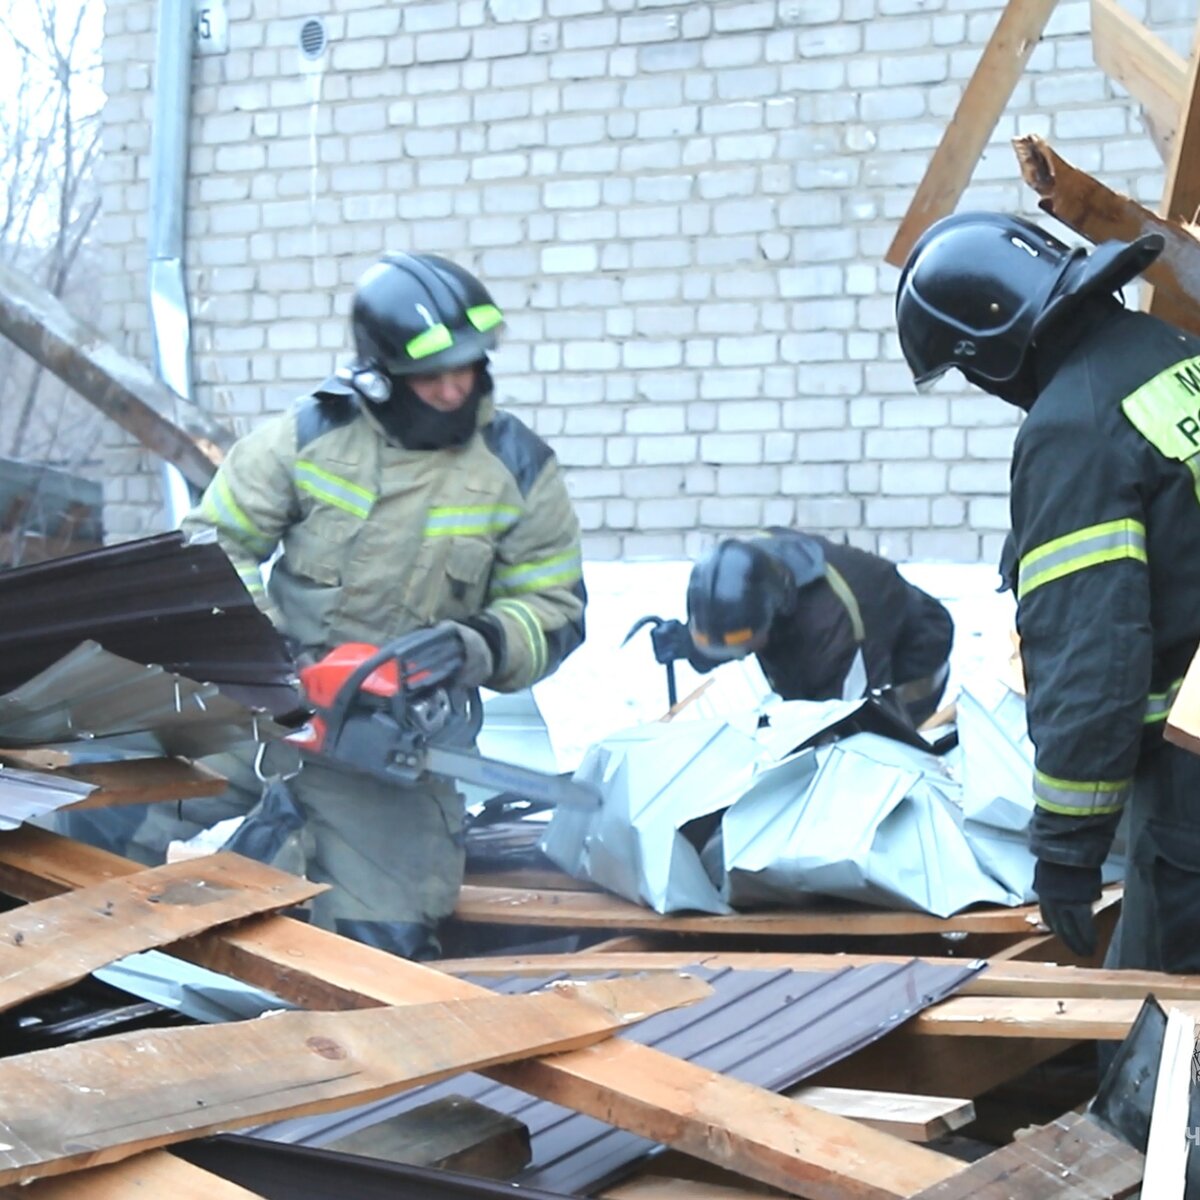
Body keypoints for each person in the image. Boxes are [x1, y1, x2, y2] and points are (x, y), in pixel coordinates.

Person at [80, 252, 587, 959]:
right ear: (380, 374)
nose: (452, 389)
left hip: (395, 751)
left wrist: (474, 645)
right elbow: (209, 550)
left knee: (383, 948)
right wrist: (273, 656)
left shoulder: (518, 469)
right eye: (431, 375)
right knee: (92, 821)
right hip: (257, 709)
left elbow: (555, 610)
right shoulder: (311, 437)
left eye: (466, 370)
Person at [893, 209, 1200, 972]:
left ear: (989, 351)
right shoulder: (1175, 353)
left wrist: (1066, 849)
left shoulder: (1075, 430)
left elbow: (1093, 656)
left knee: (1155, 1043)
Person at [648, 529, 954, 727]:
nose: (741, 656)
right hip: (818, 641)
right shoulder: (755, 576)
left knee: (875, 748)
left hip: (916, 652)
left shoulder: (830, 629)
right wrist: (694, 646)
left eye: (745, 645)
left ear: (775, 608)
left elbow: (853, 725)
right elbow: (737, 631)